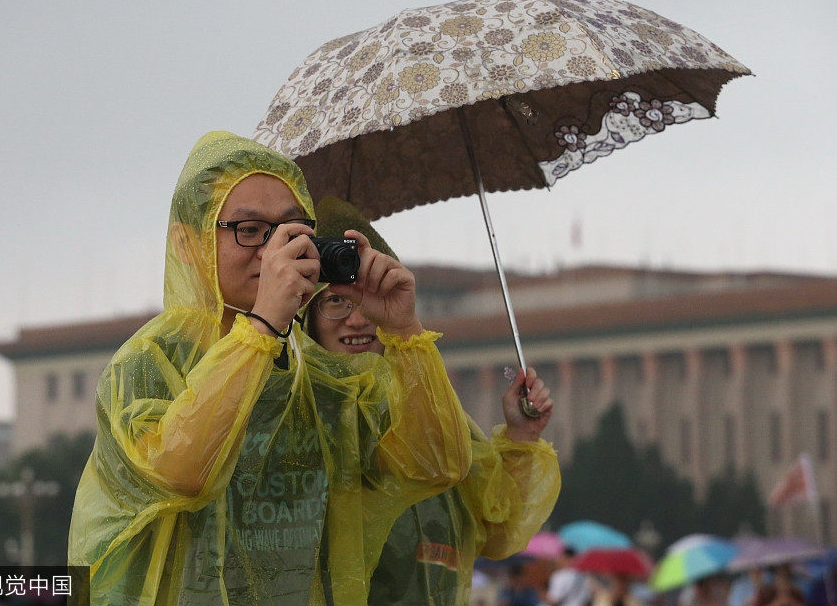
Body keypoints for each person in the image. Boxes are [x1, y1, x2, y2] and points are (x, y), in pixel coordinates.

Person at [68, 132, 473, 606]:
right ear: (186, 242)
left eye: (290, 231)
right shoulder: (148, 363)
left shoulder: (320, 373)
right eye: (249, 230)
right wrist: (261, 327)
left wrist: (405, 333)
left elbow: (437, 465)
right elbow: (183, 473)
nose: (272, 251)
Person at [302, 196, 562, 606]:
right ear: (306, 317)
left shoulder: (430, 407)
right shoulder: (295, 413)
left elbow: (496, 530)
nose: (357, 318)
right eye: (336, 300)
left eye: (369, 297)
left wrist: (521, 436)